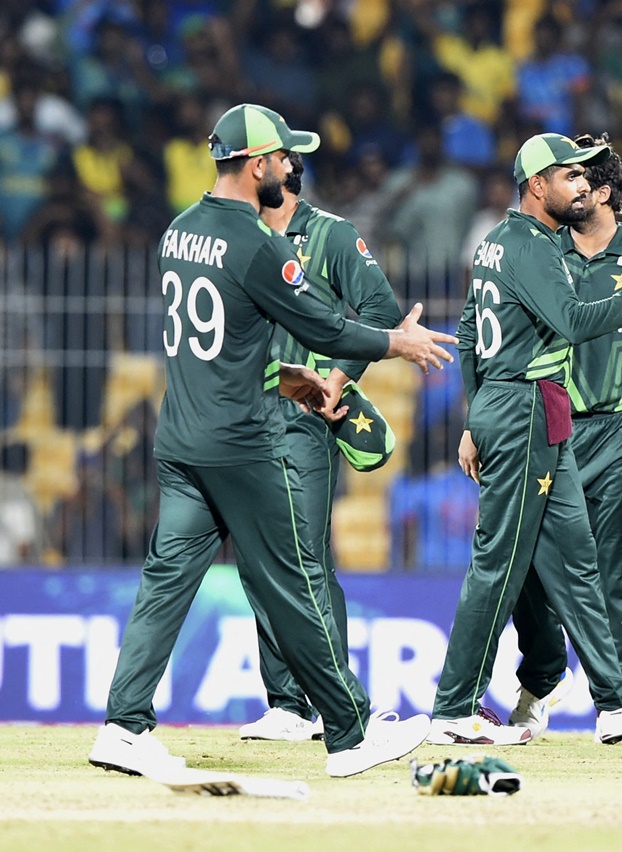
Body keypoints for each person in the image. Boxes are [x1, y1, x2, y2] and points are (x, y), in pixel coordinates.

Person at [88, 103, 456, 780]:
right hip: (242, 441)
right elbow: (324, 326)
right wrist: (396, 342)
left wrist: (288, 373)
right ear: (257, 164)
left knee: (165, 580)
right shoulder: (257, 241)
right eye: (283, 157)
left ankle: (124, 724)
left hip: (181, 438)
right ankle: (348, 732)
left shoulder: (180, 230)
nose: (291, 167)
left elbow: (225, 337)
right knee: (293, 578)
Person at [431, 132, 622, 746]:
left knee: (577, 562)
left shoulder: (497, 243)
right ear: (536, 185)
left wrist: (476, 416)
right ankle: (453, 707)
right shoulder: (531, 247)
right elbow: (574, 322)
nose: (580, 185)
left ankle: (616, 701)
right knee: (500, 567)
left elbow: (472, 329)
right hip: (528, 406)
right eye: (567, 176)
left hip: (542, 409)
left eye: (585, 177)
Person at [234, 150, 404, 742]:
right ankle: (285, 704)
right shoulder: (241, 234)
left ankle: (332, 698)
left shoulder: (331, 235)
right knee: (258, 556)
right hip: (244, 417)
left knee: (304, 554)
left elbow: (381, 311)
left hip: (305, 419)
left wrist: (338, 374)